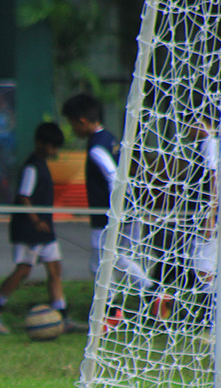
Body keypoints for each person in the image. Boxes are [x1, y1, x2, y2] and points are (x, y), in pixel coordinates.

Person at [0, 122, 76, 334]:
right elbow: (24, 196)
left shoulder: (42, 165)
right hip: (30, 230)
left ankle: (62, 316)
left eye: (56, 147)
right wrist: (36, 220)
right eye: (51, 146)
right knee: (23, 270)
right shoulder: (31, 167)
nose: (54, 151)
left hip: (45, 230)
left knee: (55, 268)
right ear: (40, 143)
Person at [62, 93, 153, 295]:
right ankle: (153, 293)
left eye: (71, 124)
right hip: (128, 209)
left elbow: (113, 177)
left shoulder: (96, 148)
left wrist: (117, 209)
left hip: (107, 215)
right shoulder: (109, 137)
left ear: (81, 121)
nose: (72, 129)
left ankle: (108, 313)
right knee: (119, 259)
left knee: (99, 265)